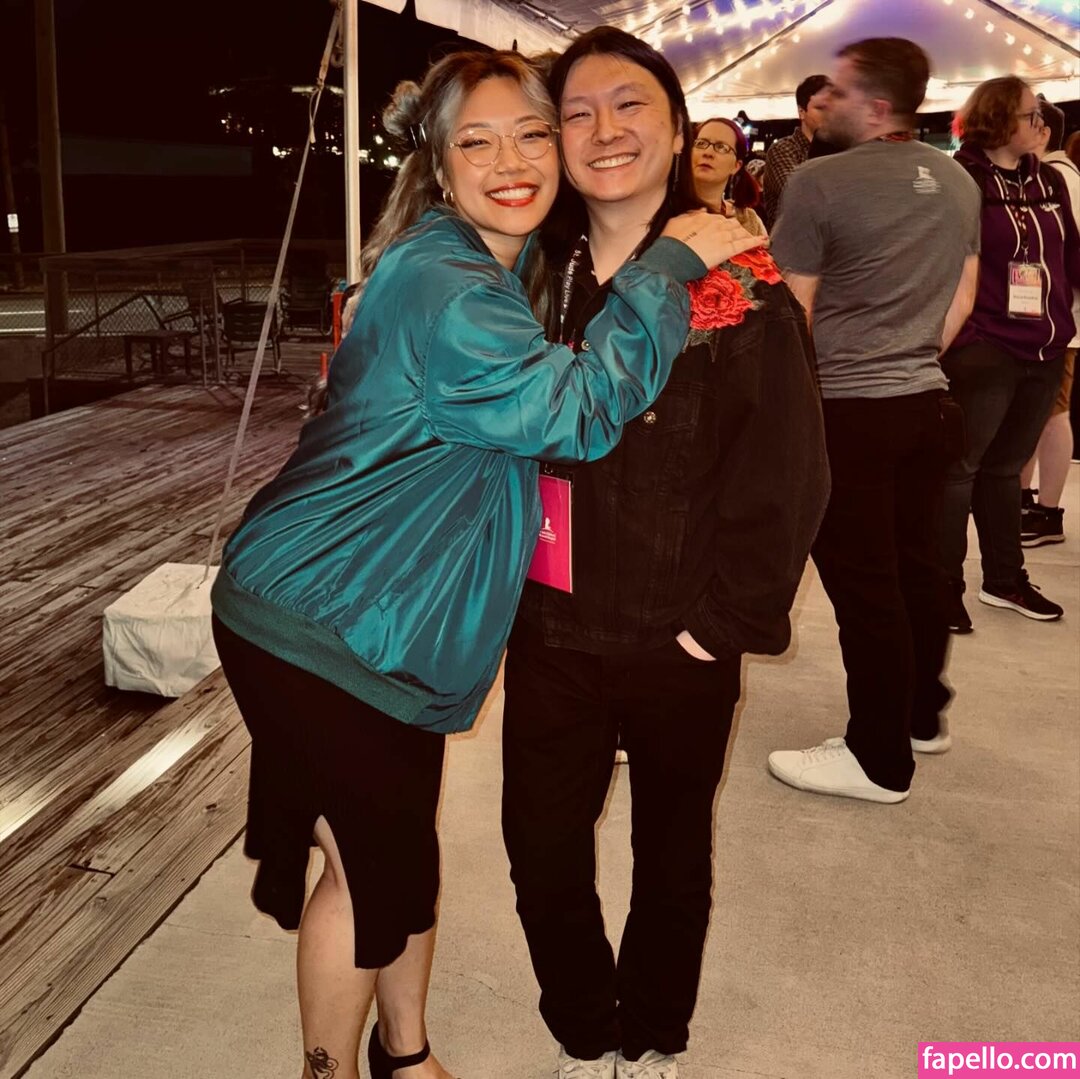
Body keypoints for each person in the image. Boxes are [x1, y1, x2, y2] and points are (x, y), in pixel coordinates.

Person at [209, 49, 757, 1079]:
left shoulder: (486, 263)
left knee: (397, 853)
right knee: (368, 875)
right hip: (324, 621)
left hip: (376, 618)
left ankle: (406, 1053)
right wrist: (669, 270)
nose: (513, 161)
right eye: (478, 142)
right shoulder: (452, 286)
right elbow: (579, 410)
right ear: (439, 163)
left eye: (532, 134)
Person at [501, 27, 829, 1079]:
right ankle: (584, 1026)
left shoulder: (740, 283)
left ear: (678, 130)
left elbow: (788, 473)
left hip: (678, 632)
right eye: (577, 112)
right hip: (547, 625)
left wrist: (719, 626)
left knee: (672, 853)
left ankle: (653, 1035)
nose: (604, 130)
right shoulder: (524, 276)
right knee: (541, 847)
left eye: (629, 105)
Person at [768, 37, 982, 802]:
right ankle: (921, 716)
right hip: (927, 401)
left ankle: (878, 758)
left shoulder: (819, 181)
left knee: (866, 589)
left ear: (879, 106)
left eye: (840, 90)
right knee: (918, 569)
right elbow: (962, 299)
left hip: (847, 411)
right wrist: (908, 352)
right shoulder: (957, 180)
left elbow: (791, 312)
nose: (824, 100)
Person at [942, 76, 1080, 629]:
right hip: (984, 346)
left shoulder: (1049, 178)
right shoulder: (961, 178)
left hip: (1045, 346)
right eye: (1031, 115)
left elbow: (1069, 254)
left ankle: (1004, 580)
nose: (1042, 124)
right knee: (960, 470)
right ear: (998, 119)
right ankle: (941, 588)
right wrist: (962, 336)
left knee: (1004, 470)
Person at [1019, 98, 1078, 548]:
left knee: (1053, 413)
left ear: (1042, 131)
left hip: (1060, 319)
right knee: (1041, 413)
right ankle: (1029, 502)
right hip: (1053, 317)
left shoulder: (1059, 180)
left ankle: (1047, 512)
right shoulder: (1055, 177)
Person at [761, 73, 831, 228]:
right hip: (792, 240)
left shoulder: (841, 149)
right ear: (801, 112)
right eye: (821, 108)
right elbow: (798, 196)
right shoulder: (783, 149)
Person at [691, 116, 767, 237]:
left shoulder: (749, 221)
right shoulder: (665, 213)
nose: (708, 152)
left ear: (736, 166)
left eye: (721, 147)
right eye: (701, 143)